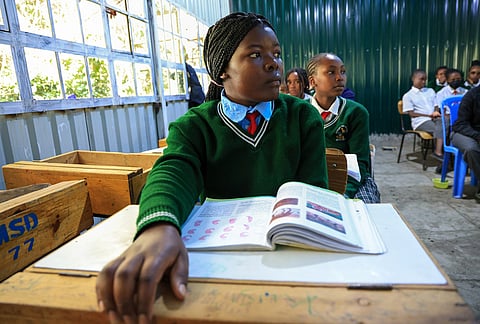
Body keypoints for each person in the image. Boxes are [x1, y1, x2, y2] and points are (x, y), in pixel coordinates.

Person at [96, 12, 329, 323]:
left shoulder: (302, 118)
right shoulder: (196, 125)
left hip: (288, 259)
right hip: (219, 261)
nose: (274, 64)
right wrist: (159, 226)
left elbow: (314, 192)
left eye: (277, 54)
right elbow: (174, 170)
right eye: (256, 55)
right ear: (222, 72)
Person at [306, 52, 380, 203]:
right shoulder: (301, 112)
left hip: (352, 181)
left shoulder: (356, 112)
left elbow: (360, 163)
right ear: (313, 81)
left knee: (362, 212)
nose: (340, 77)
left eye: (343, 71)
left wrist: (343, 195)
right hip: (311, 180)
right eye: (331, 72)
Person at [402, 69, 444, 159]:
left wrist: (436, 112)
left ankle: (443, 154)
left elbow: (436, 104)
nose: (424, 82)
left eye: (425, 79)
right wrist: (429, 116)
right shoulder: (408, 95)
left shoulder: (430, 91)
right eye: (421, 79)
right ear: (413, 79)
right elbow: (411, 114)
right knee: (441, 129)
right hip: (420, 122)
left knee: (446, 125)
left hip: (435, 118)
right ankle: (439, 153)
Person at [451, 85, 480, 202]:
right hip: (464, 132)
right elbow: (460, 124)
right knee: (471, 149)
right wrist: (477, 136)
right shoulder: (472, 95)